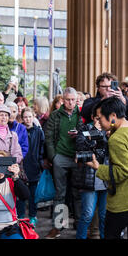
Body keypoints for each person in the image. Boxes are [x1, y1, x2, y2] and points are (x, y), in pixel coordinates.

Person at [85, 97, 128, 239]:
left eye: (100, 118)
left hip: (124, 202)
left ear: (113, 116)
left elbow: (122, 172)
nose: (98, 122)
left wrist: (98, 167)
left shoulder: (117, 139)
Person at [44, 87, 83, 239]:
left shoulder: (81, 115)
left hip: (76, 158)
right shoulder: (55, 115)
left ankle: (80, 224)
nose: (70, 102)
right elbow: (49, 137)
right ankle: (59, 226)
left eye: (73, 100)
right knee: (60, 193)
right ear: (63, 100)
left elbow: (86, 132)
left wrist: (78, 135)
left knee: (78, 193)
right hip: (60, 157)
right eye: (67, 100)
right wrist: (53, 156)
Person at [73, 113, 109, 239]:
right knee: (87, 214)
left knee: (104, 215)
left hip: (106, 178)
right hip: (88, 178)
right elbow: (80, 146)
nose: (100, 121)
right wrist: (95, 134)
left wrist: (105, 135)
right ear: (93, 117)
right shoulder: (85, 129)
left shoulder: (110, 130)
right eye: (97, 118)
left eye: (102, 118)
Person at [0, 150, 30, 239]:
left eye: (2, 162)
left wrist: (16, 176)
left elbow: (25, 196)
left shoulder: (12, 182)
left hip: (10, 229)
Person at [21, 107, 45, 227]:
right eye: (25, 117)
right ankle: (20, 217)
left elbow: (42, 146)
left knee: (33, 194)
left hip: (34, 165)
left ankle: (32, 216)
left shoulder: (38, 131)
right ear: (22, 118)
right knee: (21, 193)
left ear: (33, 117)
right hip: (22, 165)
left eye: (30, 116)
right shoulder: (19, 129)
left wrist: (40, 162)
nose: (28, 119)